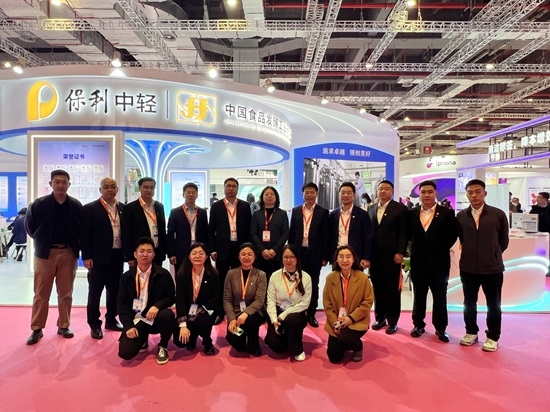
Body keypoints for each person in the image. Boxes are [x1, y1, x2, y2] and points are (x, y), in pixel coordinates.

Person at [25, 169, 83, 345]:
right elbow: (30, 227)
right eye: (57, 182)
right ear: (51, 184)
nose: (60, 185)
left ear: (69, 184)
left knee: (65, 293)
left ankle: (64, 325)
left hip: (68, 253)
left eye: (64, 182)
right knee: (41, 293)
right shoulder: (39, 204)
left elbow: (81, 229)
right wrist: (42, 242)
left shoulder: (76, 205)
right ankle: (37, 328)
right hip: (45, 254)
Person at [457, 179, 509, 352]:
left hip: (492, 268)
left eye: (478, 191)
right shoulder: (461, 216)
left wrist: (493, 254)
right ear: (466, 195)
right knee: (469, 302)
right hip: (468, 268)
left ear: (485, 193)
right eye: (470, 192)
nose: (474, 195)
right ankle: (471, 332)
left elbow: (503, 240)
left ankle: (493, 336)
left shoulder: (498, 214)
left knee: (493, 304)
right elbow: (462, 239)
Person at [409, 180, 458, 343]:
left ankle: (441, 328)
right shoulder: (412, 213)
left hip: (439, 263)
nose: (427, 195)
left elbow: (453, 235)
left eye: (430, 192)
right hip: (418, 262)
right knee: (419, 295)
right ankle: (418, 325)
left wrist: (439, 247)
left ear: (436, 194)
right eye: (423, 192)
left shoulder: (446, 213)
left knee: (440, 296)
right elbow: (409, 235)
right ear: (420, 195)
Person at [117, 237, 176, 365]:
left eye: (149, 251)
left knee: (168, 315)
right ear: (135, 254)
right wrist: (128, 326)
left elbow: (171, 297)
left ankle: (163, 346)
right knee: (125, 353)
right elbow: (122, 305)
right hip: (136, 320)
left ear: (153, 254)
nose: (145, 254)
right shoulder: (126, 277)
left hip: (153, 318)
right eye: (141, 251)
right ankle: (142, 338)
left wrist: (157, 306)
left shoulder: (163, 274)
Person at [81, 177, 125, 340]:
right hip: (97, 258)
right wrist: (86, 256)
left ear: (117, 190)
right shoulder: (90, 208)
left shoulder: (123, 208)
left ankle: (111, 320)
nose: (109, 190)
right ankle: (94, 324)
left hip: (117, 255)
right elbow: (84, 235)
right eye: (106, 187)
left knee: (114, 291)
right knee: (95, 292)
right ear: (100, 190)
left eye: (113, 187)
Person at [208, 177, 252, 325]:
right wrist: (212, 249)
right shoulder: (216, 206)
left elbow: (249, 229)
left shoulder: (245, 206)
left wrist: (249, 249)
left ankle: (239, 309)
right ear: (224, 188)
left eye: (234, 186)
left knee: (240, 281)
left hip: (240, 249)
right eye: (228, 186)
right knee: (221, 280)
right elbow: (211, 230)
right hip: (222, 249)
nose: (231, 188)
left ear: (237, 189)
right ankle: (220, 311)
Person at [368, 180, 408, 335]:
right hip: (375, 257)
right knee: (378, 289)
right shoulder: (371, 208)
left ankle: (392, 321)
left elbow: (403, 233)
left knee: (392, 290)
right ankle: (380, 318)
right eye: (381, 189)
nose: (383, 191)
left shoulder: (400, 209)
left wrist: (400, 252)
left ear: (392, 191)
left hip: (393, 257)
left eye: (386, 189)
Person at [288, 182, 331, 327]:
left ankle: (311, 313)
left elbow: (326, 236)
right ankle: (299, 310)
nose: (309, 195)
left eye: (312, 192)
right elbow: (292, 233)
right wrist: (291, 254)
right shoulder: (296, 211)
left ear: (317, 194)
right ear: (302, 194)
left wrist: (325, 257)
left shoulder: (323, 212)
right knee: (297, 282)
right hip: (298, 253)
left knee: (313, 283)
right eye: (306, 192)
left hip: (315, 254)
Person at [323, 245, 374, 363]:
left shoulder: (362, 278)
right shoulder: (330, 278)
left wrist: (350, 319)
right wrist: (335, 323)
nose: (345, 260)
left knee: (345, 337)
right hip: (337, 320)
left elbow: (367, 302)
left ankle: (357, 346)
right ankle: (345, 342)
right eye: (341, 256)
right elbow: (327, 304)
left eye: (348, 257)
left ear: (353, 259)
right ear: (336, 259)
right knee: (334, 357)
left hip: (356, 320)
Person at [265, 245, 312, 361]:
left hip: (297, 312)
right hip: (278, 311)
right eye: (285, 257)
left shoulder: (306, 277)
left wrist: (285, 314)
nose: (288, 260)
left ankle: (298, 349)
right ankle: (287, 336)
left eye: (292, 257)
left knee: (292, 320)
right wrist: (274, 320)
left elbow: (305, 303)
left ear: (297, 259)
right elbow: (270, 300)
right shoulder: (275, 276)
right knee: (275, 346)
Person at [173, 242, 219, 356]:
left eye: (201, 253)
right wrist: (183, 324)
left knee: (202, 321)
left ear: (206, 256)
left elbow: (216, 297)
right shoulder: (182, 274)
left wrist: (200, 310)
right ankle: (192, 337)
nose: (197, 256)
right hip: (187, 311)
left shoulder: (213, 274)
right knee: (179, 341)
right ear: (189, 256)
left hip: (205, 310)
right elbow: (180, 299)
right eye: (194, 253)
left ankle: (207, 341)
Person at [223, 242, 267, 357]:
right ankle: (243, 337)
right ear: (238, 257)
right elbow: (227, 299)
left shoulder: (261, 275)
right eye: (243, 254)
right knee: (238, 345)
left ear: (254, 257)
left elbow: (259, 300)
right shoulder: (231, 274)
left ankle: (254, 342)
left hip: (255, 311)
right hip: (237, 310)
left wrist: (246, 313)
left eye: (249, 254)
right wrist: (232, 319)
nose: (246, 257)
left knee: (251, 322)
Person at [121, 177, 167, 267]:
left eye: (152, 187)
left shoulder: (159, 206)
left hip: (156, 252)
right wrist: (129, 256)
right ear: (140, 188)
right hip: (139, 253)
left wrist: (164, 251)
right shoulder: (130, 208)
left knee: (157, 275)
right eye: (146, 187)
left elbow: (162, 229)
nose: (149, 190)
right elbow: (126, 234)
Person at [329, 182, 372, 271]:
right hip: (338, 256)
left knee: (356, 279)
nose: (345, 195)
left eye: (349, 193)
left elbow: (367, 237)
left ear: (354, 195)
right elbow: (330, 236)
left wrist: (366, 257)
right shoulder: (333, 214)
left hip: (356, 257)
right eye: (343, 192)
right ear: (339, 195)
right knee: (337, 279)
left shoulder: (362, 214)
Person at [167, 182, 209, 275]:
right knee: (181, 275)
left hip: (199, 249)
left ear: (197, 195)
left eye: (193, 192)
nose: (191, 195)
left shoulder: (202, 212)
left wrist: (207, 251)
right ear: (183, 194)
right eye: (188, 192)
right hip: (181, 250)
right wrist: (171, 253)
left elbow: (206, 232)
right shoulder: (175, 212)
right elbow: (170, 234)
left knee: (198, 275)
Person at [250, 186, 289, 281]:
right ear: (262, 197)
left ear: (276, 197)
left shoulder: (282, 214)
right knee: (260, 281)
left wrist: (274, 250)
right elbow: (253, 233)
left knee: (275, 281)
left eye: (272, 194)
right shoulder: (256, 214)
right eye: (266, 194)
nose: (269, 196)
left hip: (276, 255)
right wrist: (262, 250)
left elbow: (285, 233)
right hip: (260, 255)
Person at [529, 192, 550, 276]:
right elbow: (531, 217)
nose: (537, 199)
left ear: (545, 199)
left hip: (548, 232)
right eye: (537, 197)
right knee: (538, 251)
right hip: (537, 233)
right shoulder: (534, 208)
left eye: (539, 197)